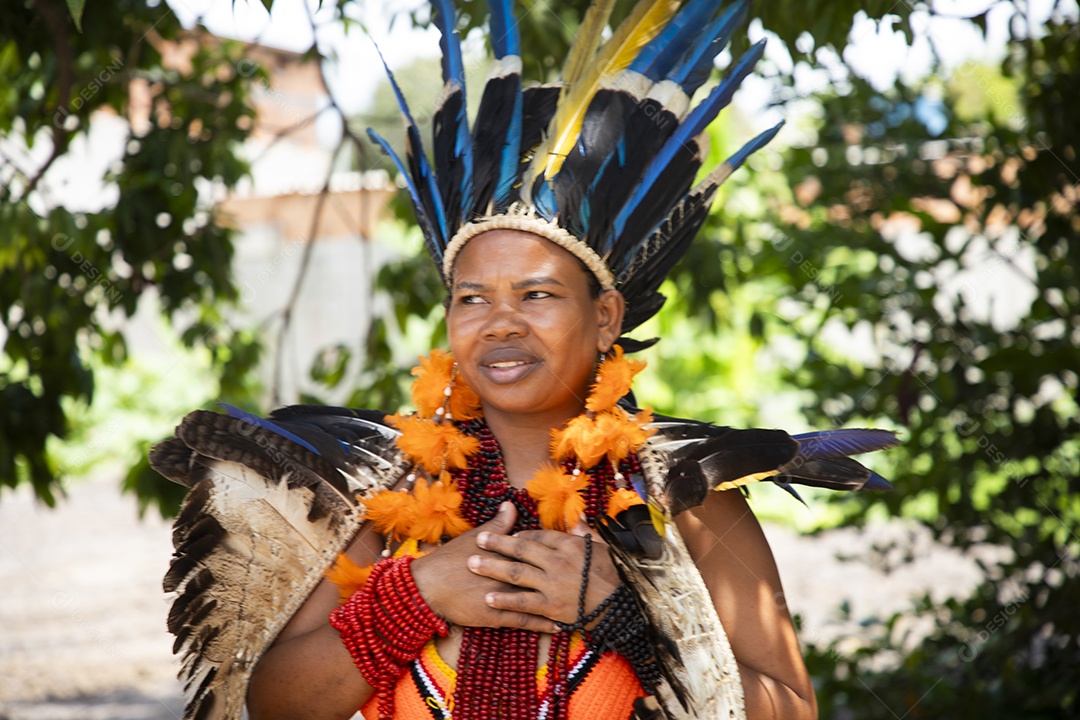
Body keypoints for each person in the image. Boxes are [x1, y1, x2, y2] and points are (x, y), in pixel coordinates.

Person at [153, 1, 896, 718]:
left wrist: (628, 614)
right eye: (472, 299)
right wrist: (418, 594)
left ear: (605, 317)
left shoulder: (683, 495)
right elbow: (275, 704)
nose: (500, 325)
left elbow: (790, 710)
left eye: (537, 295)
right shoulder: (380, 491)